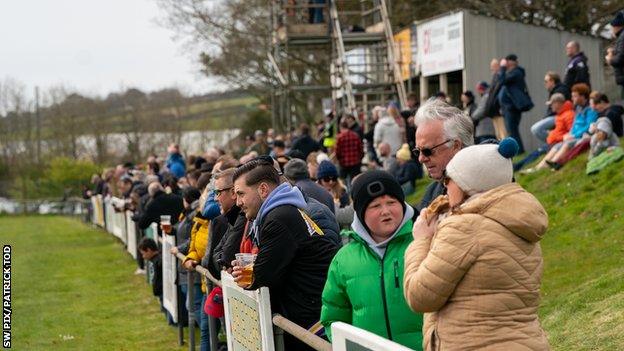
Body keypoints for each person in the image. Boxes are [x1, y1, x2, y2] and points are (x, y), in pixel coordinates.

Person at [404, 138, 550, 350]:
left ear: (466, 184)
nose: (445, 186)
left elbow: (419, 296)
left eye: (449, 180)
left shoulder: (465, 227)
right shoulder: (517, 219)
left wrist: (422, 240)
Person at [231, 158, 340, 350]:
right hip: (312, 311)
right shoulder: (285, 210)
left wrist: (247, 274)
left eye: (241, 194)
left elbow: (263, 276)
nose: (238, 202)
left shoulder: (278, 218)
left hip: (312, 320)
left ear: (263, 190)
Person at [321, 170, 423, 349]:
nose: (386, 211)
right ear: (361, 213)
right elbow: (333, 318)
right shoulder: (344, 259)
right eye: (375, 206)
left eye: (392, 202)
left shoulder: (424, 244)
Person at [413, 99, 474, 213]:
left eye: (427, 151)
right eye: (417, 151)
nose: (421, 159)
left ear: (456, 145)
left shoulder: (486, 186)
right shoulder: (432, 192)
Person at [519, 94, 575, 173]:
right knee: (534, 154)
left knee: (535, 154)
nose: (550, 107)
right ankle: (526, 168)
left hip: (557, 143)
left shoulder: (568, 114)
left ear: (557, 103)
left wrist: (558, 138)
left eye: (551, 104)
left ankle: (534, 169)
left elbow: (570, 134)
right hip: (553, 142)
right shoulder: (561, 114)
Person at [498, 54, 533, 154]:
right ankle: (518, 151)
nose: (506, 63)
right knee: (511, 130)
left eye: (507, 61)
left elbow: (502, 81)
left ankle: (519, 151)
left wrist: (502, 68)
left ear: (512, 62)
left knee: (513, 131)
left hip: (512, 108)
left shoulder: (517, 72)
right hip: (507, 108)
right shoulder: (511, 73)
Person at [530, 71, 572, 145]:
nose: (545, 84)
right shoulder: (554, 90)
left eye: (546, 81)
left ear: (552, 81)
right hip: (556, 116)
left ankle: (554, 142)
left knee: (536, 129)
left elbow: (556, 109)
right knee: (536, 129)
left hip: (561, 115)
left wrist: (545, 117)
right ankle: (553, 142)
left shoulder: (561, 90)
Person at [334, 120, 363, 187]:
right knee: (355, 181)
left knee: (343, 182)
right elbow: (360, 149)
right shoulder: (355, 135)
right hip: (355, 162)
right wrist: (360, 158)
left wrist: (339, 159)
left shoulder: (339, 137)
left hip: (344, 163)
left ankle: (345, 195)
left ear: (340, 127)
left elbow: (337, 151)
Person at [606, 11, 624, 99]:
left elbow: (620, 59)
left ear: (617, 26)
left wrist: (610, 59)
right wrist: (614, 51)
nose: (612, 29)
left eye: (612, 27)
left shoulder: (622, 37)